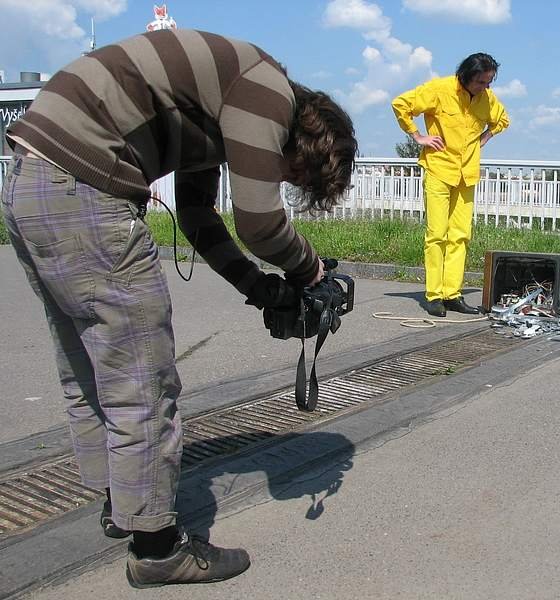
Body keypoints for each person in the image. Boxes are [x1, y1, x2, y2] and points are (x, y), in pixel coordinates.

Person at [2, 28, 357, 588]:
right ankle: (158, 550)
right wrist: (310, 271)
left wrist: (259, 288)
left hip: (33, 181)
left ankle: (123, 507)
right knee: (143, 379)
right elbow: (260, 223)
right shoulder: (266, 89)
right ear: (309, 144)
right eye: (291, 174)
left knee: (92, 366)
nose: (277, 177)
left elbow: (196, 215)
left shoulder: (220, 103)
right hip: (86, 185)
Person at [391, 53, 509, 317]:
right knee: (437, 234)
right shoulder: (439, 89)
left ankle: (452, 294)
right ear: (466, 76)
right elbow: (401, 104)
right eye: (481, 82)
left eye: (489, 82)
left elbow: (502, 120)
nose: (485, 88)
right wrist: (418, 136)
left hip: (467, 174)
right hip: (439, 170)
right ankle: (434, 295)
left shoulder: (487, 98)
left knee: (460, 235)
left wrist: (485, 137)